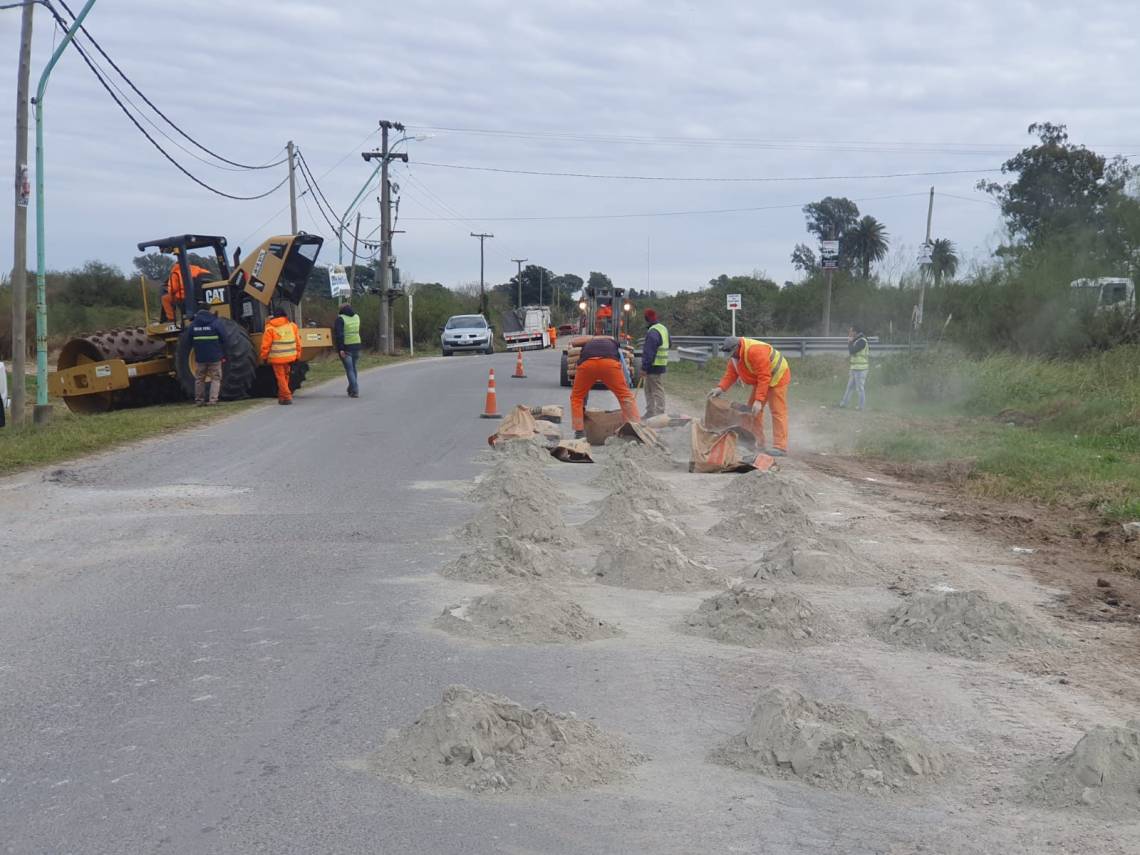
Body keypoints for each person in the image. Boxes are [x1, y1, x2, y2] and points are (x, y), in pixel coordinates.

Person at [709, 336, 791, 456]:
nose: (731, 356)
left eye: (732, 353)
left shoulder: (755, 351)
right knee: (753, 411)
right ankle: (759, 442)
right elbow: (731, 374)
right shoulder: (736, 356)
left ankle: (780, 447)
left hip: (778, 377)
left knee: (777, 411)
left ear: (737, 347)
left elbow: (764, 376)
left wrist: (758, 400)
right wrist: (720, 388)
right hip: (762, 379)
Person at [570, 335, 640, 438]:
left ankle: (579, 431)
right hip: (609, 364)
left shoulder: (589, 342)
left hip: (587, 365)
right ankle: (635, 427)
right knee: (625, 396)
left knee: (577, 397)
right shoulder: (613, 342)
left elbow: (573, 342)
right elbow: (622, 360)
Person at [259, 309, 301, 404]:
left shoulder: (270, 328)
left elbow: (266, 345)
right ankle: (282, 397)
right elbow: (298, 342)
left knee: (281, 377)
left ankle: (287, 396)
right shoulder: (292, 326)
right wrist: (297, 356)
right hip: (290, 357)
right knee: (286, 376)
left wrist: (264, 357)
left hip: (277, 358)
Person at [189, 308, 229, 406]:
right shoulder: (216, 323)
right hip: (215, 357)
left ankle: (199, 401)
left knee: (199, 379)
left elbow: (189, 340)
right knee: (215, 378)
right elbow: (225, 338)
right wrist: (222, 351)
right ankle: (213, 401)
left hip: (200, 357)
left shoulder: (193, 325)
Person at [161, 251, 211, 322]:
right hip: (198, 296)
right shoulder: (196, 268)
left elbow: (173, 289)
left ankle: (171, 319)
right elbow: (208, 274)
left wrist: (168, 288)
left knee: (165, 298)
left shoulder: (175, 273)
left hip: (183, 297)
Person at [640, 308, 669, 419]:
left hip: (654, 365)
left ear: (646, 319)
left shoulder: (652, 332)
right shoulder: (663, 328)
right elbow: (669, 343)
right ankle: (650, 413)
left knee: (656, 390)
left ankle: (660, 414)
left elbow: (649, 352)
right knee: (648, 389)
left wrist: (644, 367)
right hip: (660, 363)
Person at [334, 303, 362, 398]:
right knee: (353, 368)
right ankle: (351, 388)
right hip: (357, 344)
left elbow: (339, 335)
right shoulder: (357, 317)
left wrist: (341, 348)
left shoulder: (340, 319)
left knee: (349, 370)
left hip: (346, 347)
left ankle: (355, 390)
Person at [839, 325, 870, 410]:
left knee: (860, 388)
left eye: (851, 331)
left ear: (855, 332)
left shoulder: (862, 341)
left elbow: (852, 351)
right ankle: (844, 404)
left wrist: (849, 342)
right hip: (855, 368)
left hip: (861, 369)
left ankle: (861, 407)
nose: (849, 333)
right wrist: (851, 342)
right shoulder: (857, 340)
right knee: (849, 387)